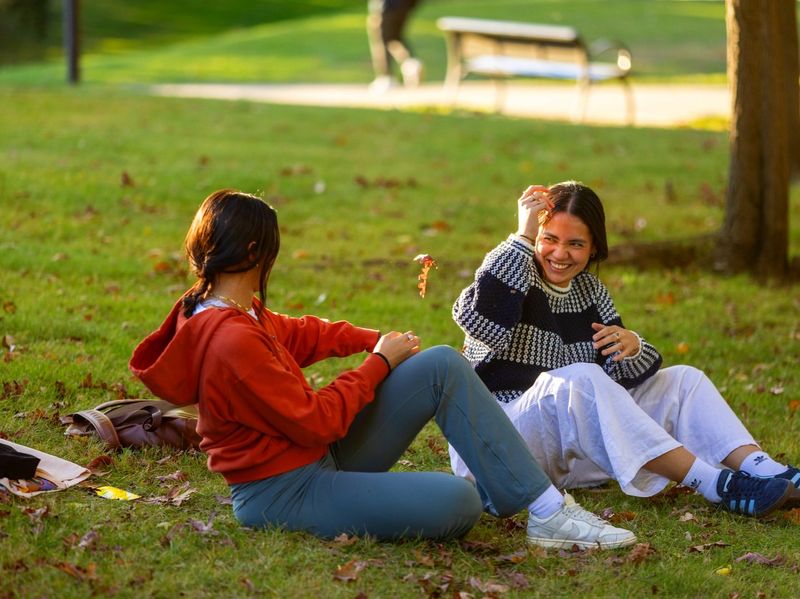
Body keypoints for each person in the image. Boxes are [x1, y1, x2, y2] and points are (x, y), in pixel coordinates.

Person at [129, 188, 637, 549]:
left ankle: (546, 511)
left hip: (313, 457)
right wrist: (378, 363)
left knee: (441, 363)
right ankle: (541, 507)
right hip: (283, 491)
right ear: (258, 250)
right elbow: (318, 420)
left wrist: (371, 339)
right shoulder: (231, 337)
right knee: (460, 503)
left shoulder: (234, 309)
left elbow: (304, 332)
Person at [449, 181, 799, 518]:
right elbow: (484, 325)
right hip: (496, 451)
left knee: (683, 380)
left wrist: (633, 347)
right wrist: (521, 237)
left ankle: (766, 470)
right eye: (548, 239)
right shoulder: (506, 271)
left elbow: (617, 384)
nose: (560, 253)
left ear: (593, 249)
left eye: (575, 244)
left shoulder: (590, 292)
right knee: (581, 378)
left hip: (566, 459)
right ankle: (716, 485)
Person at [367, 0, 424, 93]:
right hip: (405, 6)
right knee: (394, 36)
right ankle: (411, 64)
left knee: (382, 38)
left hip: (387, 5)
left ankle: (385, 77)